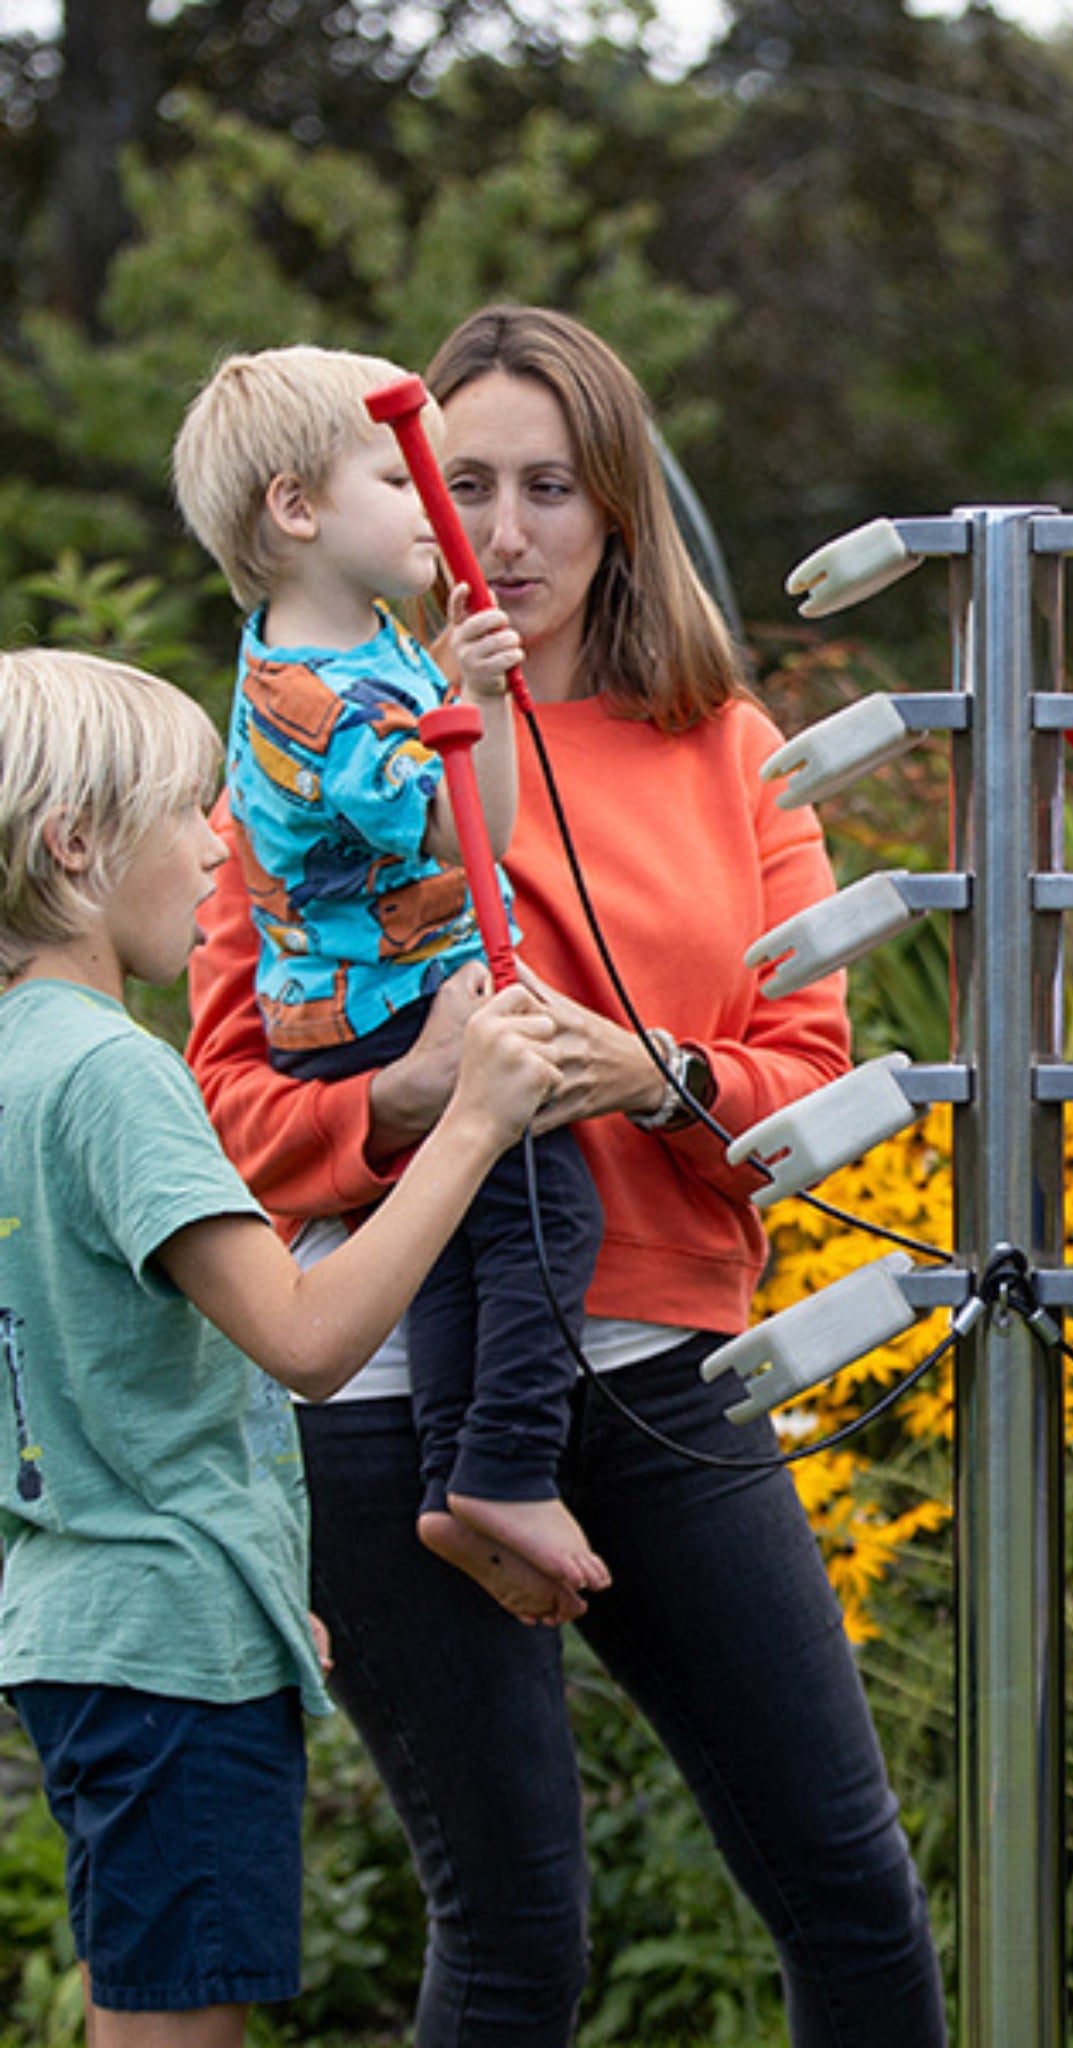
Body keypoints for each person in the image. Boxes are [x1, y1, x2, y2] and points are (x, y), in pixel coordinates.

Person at [183, 306, 947, 2046]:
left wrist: (661, 1077)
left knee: (851, 1891)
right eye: (459, 483)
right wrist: (407, 1103)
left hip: (665, 1368)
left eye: (548, 486)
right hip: (392, 1399)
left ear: (617, 508)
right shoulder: (320, 733)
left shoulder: (729, 744)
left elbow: (810, 1078)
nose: (502, 531)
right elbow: (233, 1106)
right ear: (383, 499)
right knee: (517, 1924)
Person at [0, 649, 557, 2045]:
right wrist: (474, 1119)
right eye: (192, 811)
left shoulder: (15, 1064)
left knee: (150, 1999)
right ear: (75, 844)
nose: (220, 846)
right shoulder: (113, 1071)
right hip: (166, 1645)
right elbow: (306, 1340)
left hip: (85, 1621)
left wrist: (249, 1577)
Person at [171, 344, 608, 1600]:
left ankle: (455, 1478)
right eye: (404, 480)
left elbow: (490, 829)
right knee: (545, 1208)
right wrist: (479, 695)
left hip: (372, 1001)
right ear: (297, 510)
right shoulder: (331, 705)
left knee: (460, 1244)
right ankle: (510, 1462)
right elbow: (464, 839)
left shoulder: (345, 654)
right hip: (385, 1013)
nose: (440, 515)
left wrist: (473, 694)